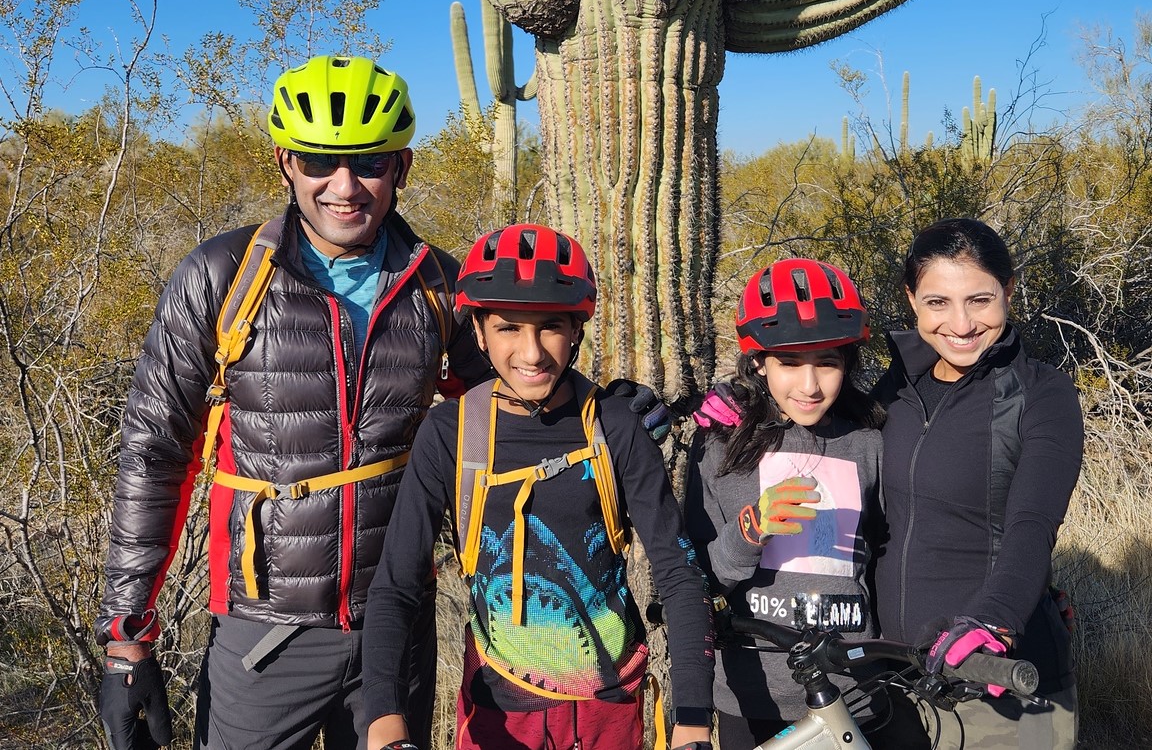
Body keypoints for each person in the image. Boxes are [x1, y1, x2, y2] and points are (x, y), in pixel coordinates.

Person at [94, 55, 492, 750]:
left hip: (395, 627)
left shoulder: (441, 287)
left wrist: (609, 410)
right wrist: (128, 635)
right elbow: (156, 453)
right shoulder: (222, 277)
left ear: (402, 166)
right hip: (264, 631)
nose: (344, 187)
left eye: (368, 163)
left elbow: (512, 404)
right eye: (318, 162)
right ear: (285, 161)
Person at [361, 224, 715, 750]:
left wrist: (692, 717)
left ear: (576, 329)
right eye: (508, 329)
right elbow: (397, 581)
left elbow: (677, 571)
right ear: (478, 333)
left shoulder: (613, 426)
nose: (531, 353)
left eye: (550, 327)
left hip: (610, 707)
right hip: (495, 711)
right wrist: (384, 717)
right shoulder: (454, 431)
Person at [869, 217, 1082, 749]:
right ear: (911, 299)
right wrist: (747, 411)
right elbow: (823, 433)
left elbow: (1033, 523)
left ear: (1009, 292)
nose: (960, 325)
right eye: (938, 302)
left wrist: (996, 622)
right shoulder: (897, 387)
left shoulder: (1042, 395)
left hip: (996, 685)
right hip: (894, 682)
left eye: (980, 300)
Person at [684, 258, 886, 749]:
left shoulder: (869, 440)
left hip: (857, 693)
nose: (810, 385)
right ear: (758, 363)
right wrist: (751, 528)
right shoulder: (719, 446)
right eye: (790, 363)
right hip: (754, 697)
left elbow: (887, 554)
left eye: (829, 363)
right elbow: (697, 577)